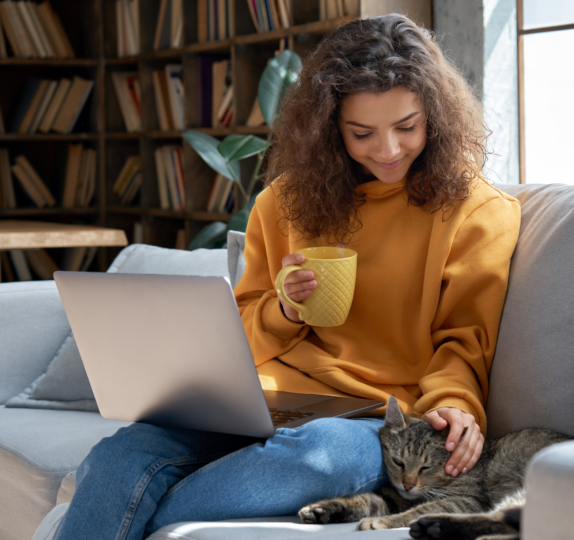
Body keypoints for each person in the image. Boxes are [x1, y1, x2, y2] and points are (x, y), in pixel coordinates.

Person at [49, 14, 520, 540]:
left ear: (435, 115)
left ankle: (119, 518)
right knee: (121, 454)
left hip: (372, 419)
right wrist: (285, 310)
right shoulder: (284, 202)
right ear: (329, 127)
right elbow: (242, 332)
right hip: (263, 399)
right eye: (362, 133)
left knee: (319, 459)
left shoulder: (477, 211)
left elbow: (465, 340)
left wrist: (454, 407)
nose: (388, 150)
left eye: (407, 127)